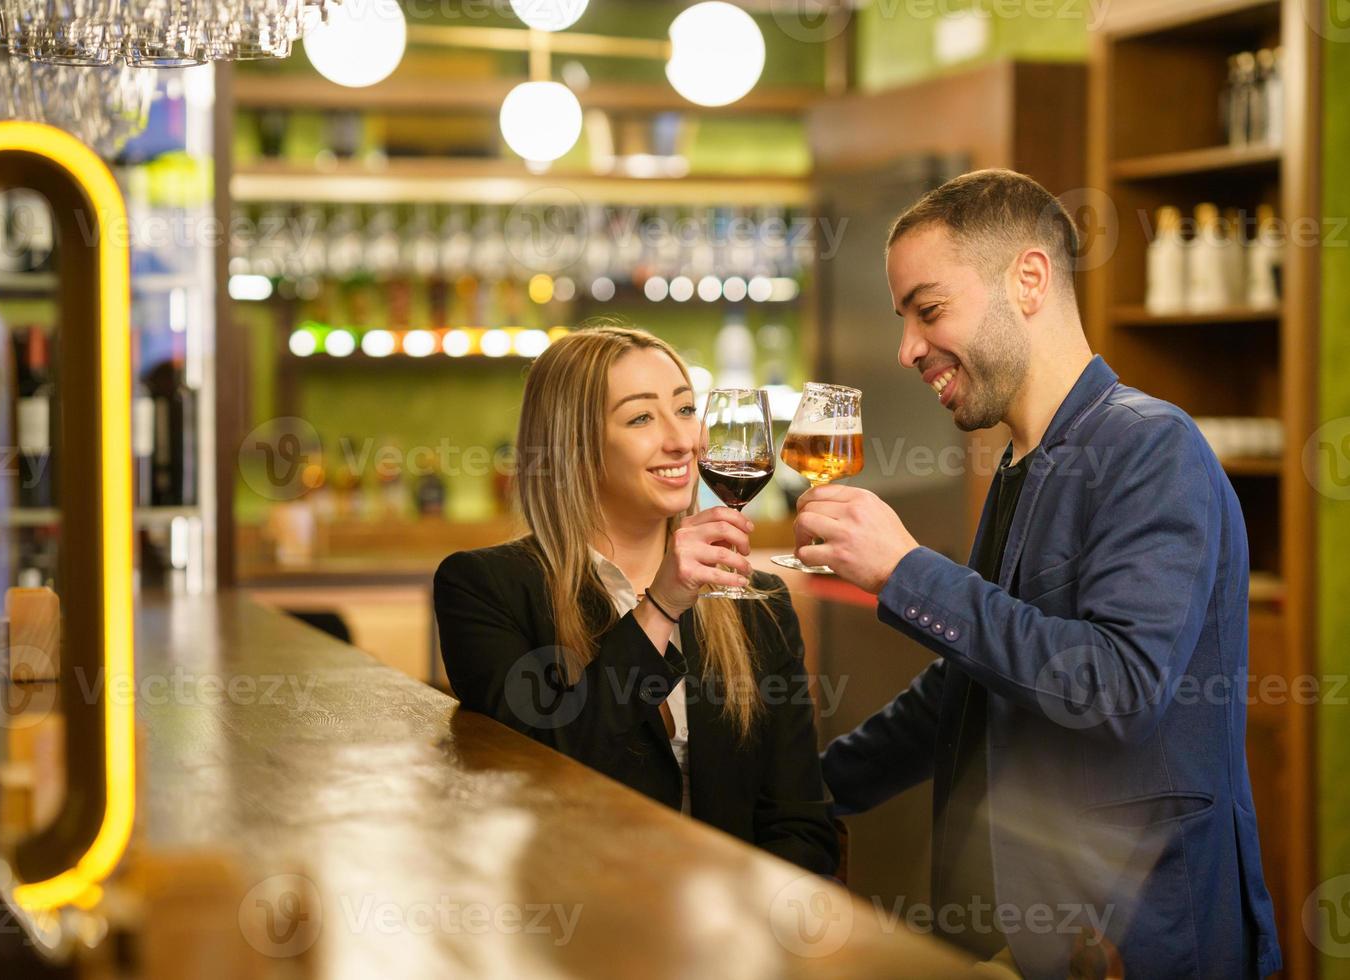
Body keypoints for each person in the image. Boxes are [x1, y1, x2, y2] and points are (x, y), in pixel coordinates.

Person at [803, 170, 1281, 976]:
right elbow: (968, 688)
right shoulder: (1023, 464)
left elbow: (1118, 687)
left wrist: (906, 573)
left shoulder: (1150, 447)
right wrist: (804, 793)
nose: (908, 348)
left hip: (1145, 936)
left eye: (929, 309)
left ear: (1028, 279)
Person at [434, 325, 838, 876]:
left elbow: (800, 822)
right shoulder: (485, 588)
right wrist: (661, 606)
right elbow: (543, 769)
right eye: (642, 418)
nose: (682, 440)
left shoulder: (758, 600)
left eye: (686, 409)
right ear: (572, 445)